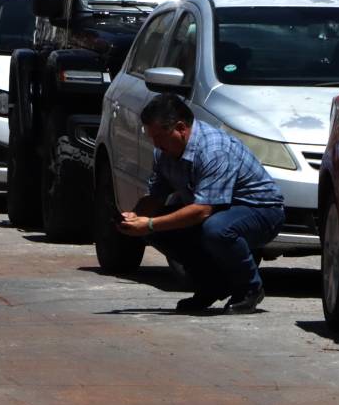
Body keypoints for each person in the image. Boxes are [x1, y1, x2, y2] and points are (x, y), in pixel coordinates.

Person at [117, 94, 285, 314]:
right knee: (160, 230)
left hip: (261, 212)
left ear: (181, 128)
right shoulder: (164, 152)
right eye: (152, 138)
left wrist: (148, 223)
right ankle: (210, 286)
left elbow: (202, 211)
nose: (155, 144)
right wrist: (134, 218)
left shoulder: (213, 150)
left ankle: (249, 289)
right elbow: (155, 197)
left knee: (216, 229)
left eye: (159, 137)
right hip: (217, 211)